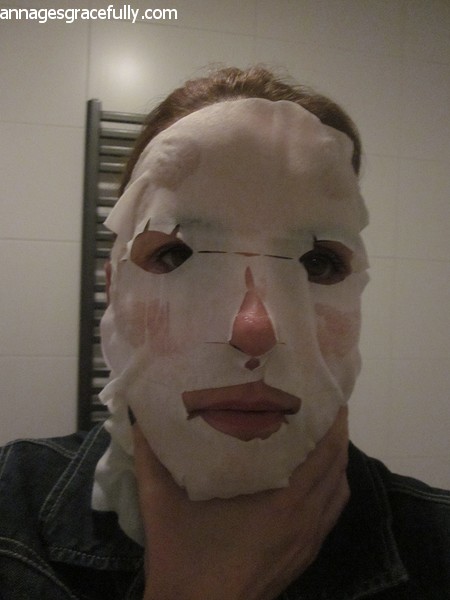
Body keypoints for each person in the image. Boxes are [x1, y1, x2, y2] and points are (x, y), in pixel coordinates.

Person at [0, 66, 449, 600]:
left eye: (319, 263)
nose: (254, 331)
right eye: (175, 255)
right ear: (115, 289)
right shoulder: (11, 511)